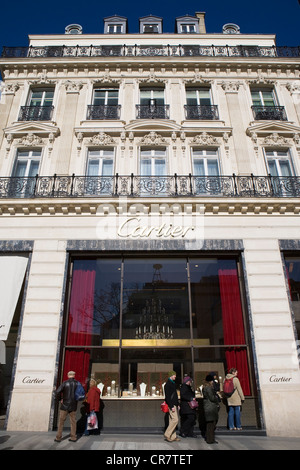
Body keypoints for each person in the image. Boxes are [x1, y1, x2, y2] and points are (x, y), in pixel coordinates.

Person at [54, 370, 80, 442]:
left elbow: (57, 392)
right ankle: (73, 437)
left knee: (61, 421)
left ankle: (58, 437)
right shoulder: (77, 383)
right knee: (73, 422)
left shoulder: (65, 383)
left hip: (64, 405)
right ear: (74, 375)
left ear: (68, 376)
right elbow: (81, 393)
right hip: (73, 405)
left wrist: (60, 399)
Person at [202, 374, 220, 444]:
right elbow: (212, 398)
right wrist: (216, 398)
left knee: (211, 424)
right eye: (212, 380)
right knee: (211, 424)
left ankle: (211, 438)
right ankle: (210, 439)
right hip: (210, 408)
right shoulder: (208, 388)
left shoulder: (206, 387)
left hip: (209, 407)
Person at [164, 370, 180, 442]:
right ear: (171, 375)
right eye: (174, 375)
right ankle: (167, 434)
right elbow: (168, 397)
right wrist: (172, 406)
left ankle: (173, 436)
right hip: (172, 404)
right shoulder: (168, 385)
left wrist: (177, 404)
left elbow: (175, 396)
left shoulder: (172, 383)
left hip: (174, 404)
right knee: (175, 420)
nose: (175, 376)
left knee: (172, 420)